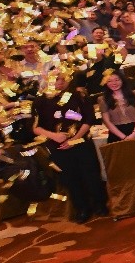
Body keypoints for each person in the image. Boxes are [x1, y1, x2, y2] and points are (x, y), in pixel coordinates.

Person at [32, 72, 108, 222]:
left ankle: (99, 204)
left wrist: (74, 139)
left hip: (81, 142)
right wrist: (54, 136)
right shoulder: (40, 101)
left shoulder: (78, 95)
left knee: (91, 174)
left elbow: (88, 119)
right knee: (70, 178)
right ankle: (82, 209)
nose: (60, 82)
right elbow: (35, 127)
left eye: (63, 79)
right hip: (58, 146)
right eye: (56, 79)